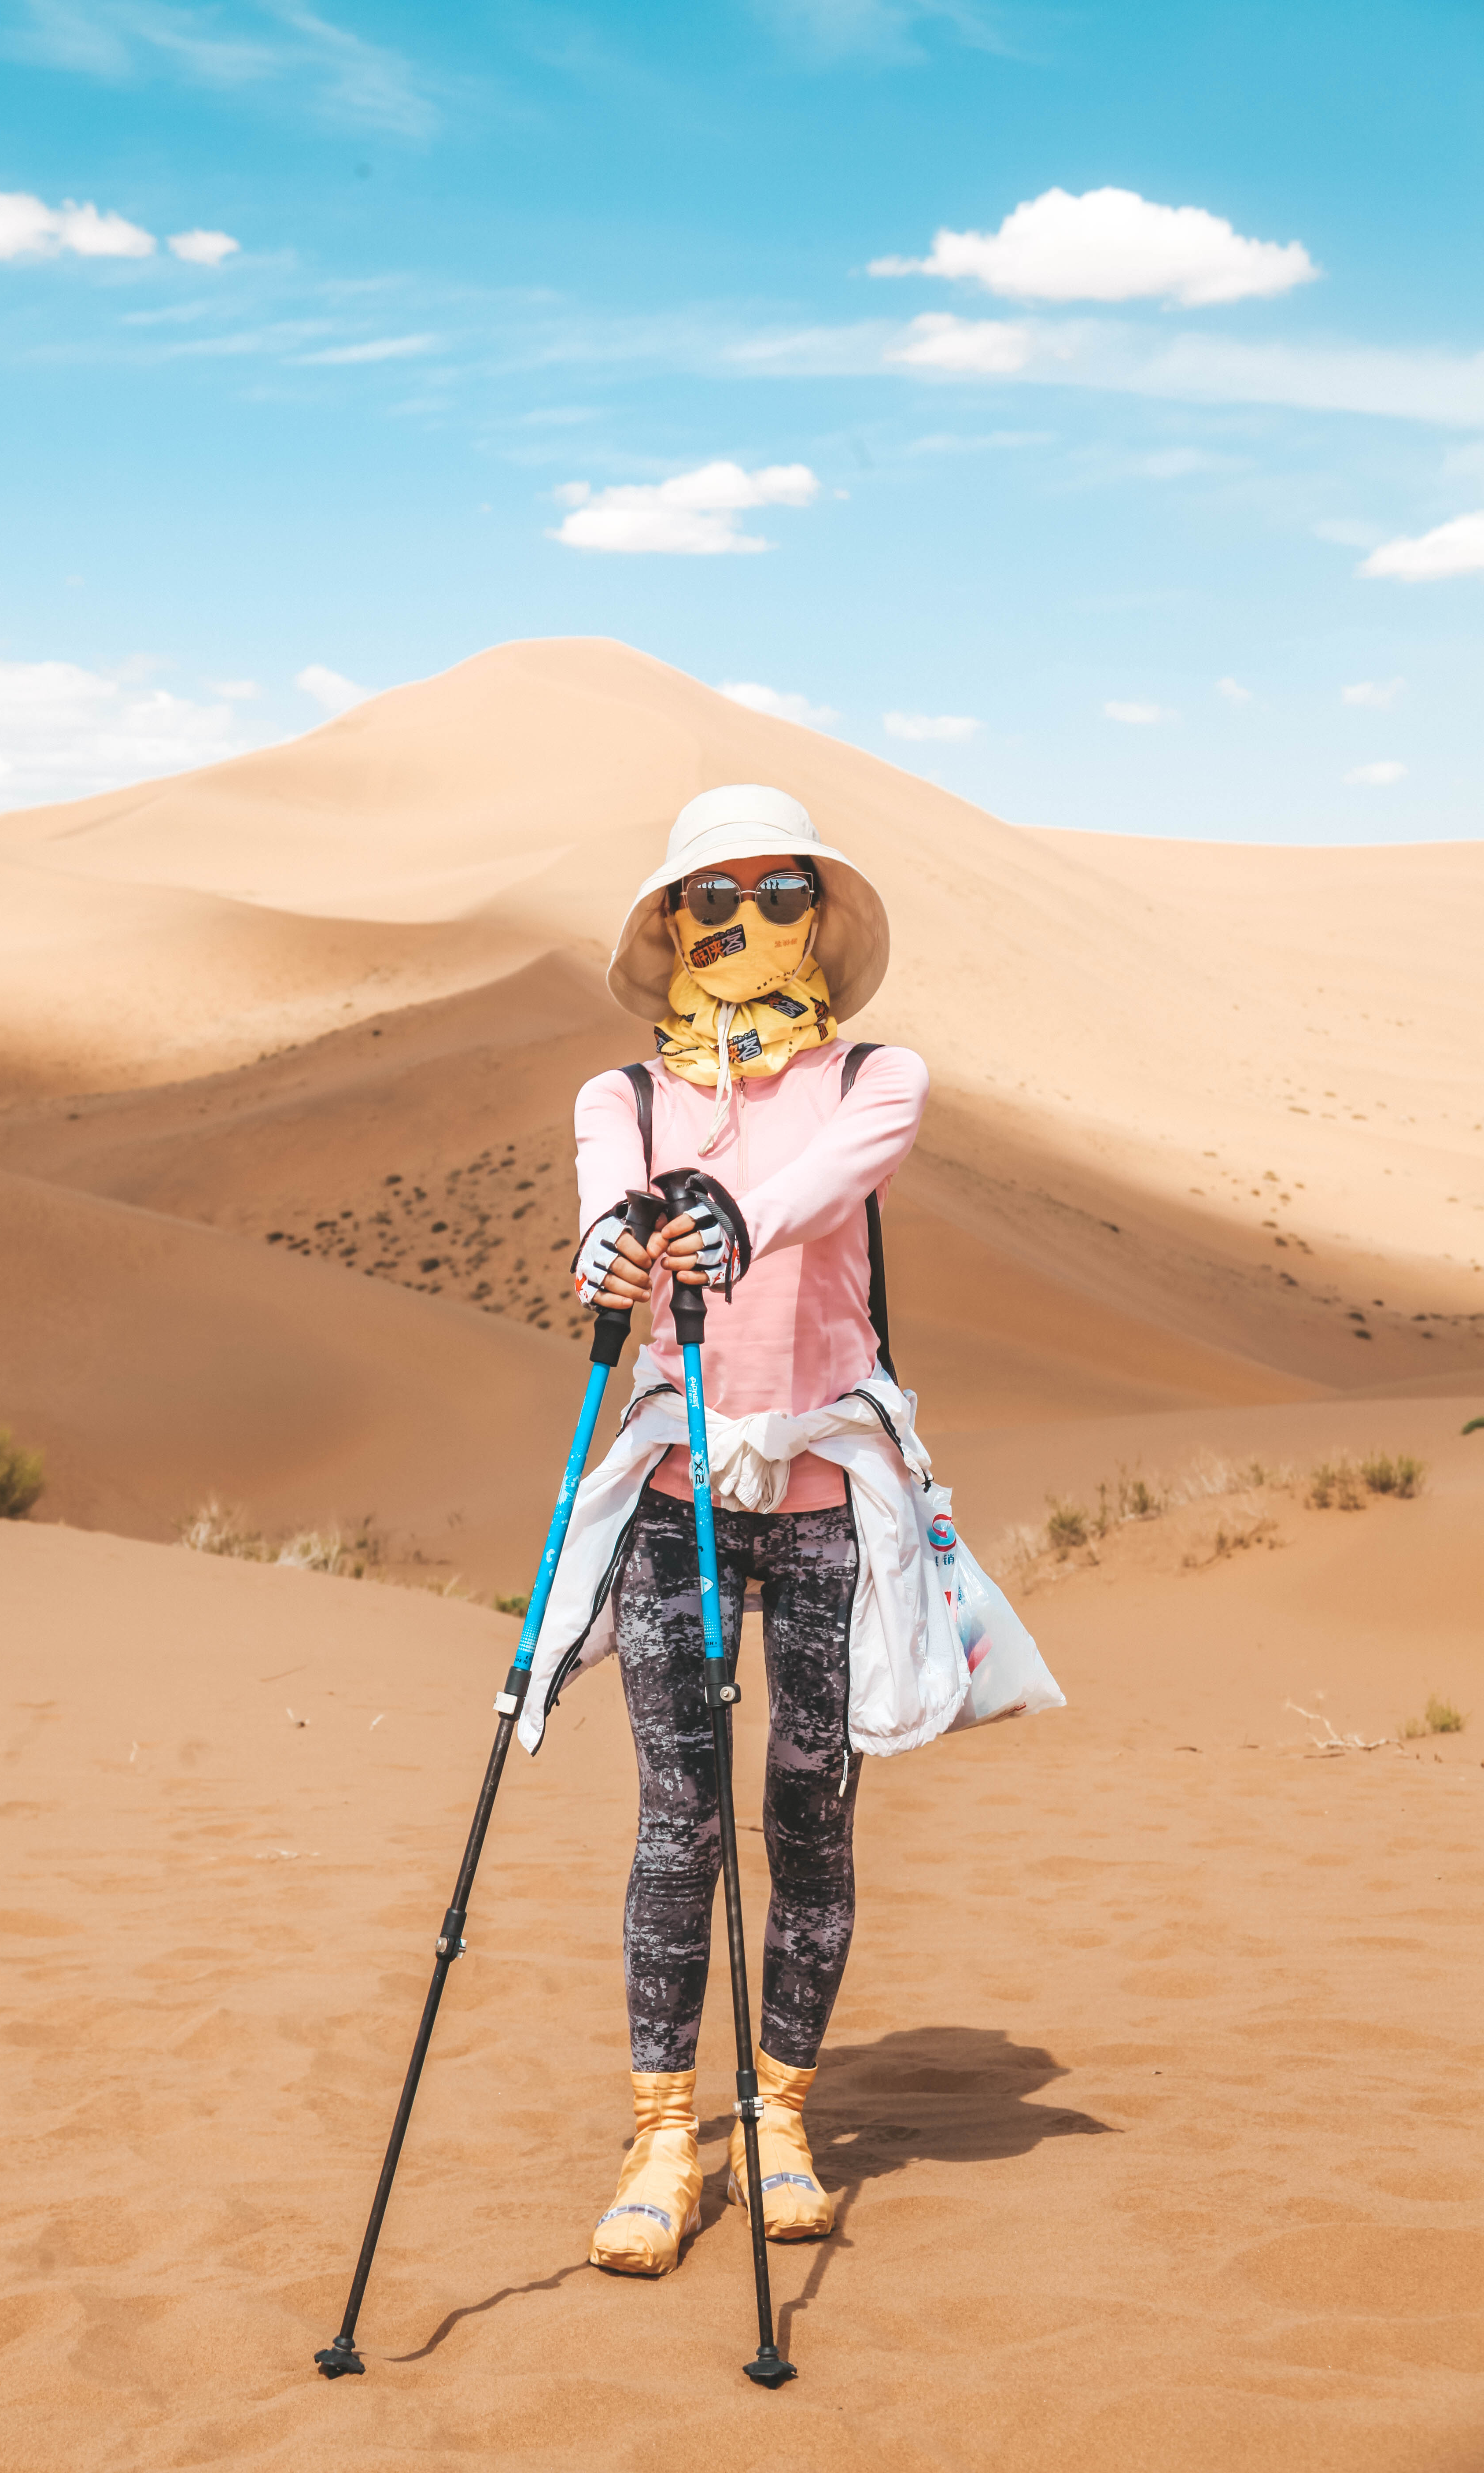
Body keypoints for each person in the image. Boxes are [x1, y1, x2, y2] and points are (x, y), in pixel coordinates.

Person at [515, 783, 971, 2280]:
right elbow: (612, 1208)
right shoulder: (621, 1098)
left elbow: (814, 1191)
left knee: (811, 1817)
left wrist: (726, 1210)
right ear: (672, 923)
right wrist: (612, 1245)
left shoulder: (878, 1078)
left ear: (820, 917)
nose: (750, 921)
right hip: (675, 1497)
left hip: (831, 1501)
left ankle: (780, 2117)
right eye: (715, 898)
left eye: (781, 894)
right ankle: (663, 2136)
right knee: (681, 1820)